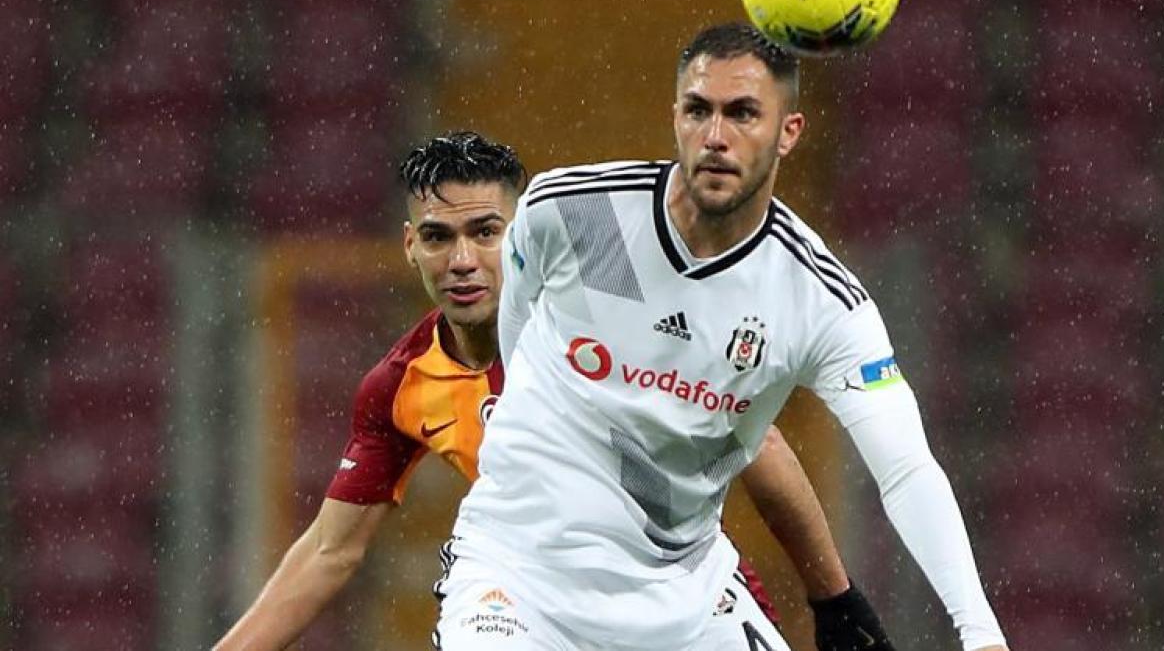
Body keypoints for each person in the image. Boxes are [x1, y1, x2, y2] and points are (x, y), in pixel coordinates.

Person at [438, 24, 1011, 651]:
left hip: (682, 596)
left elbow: (904, 469)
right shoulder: (575, 212)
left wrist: (979, 632)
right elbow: (515, 341)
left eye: (742, 113)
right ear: (675, 117)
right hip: (520, 579)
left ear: (789, 132)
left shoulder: (818, 302)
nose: (715, 137)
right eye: (698, 110)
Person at [214, 132, 892, 651]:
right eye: (438, 237)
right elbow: (332, 550)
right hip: (530, 595)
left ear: (527, 229)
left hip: (675, 586)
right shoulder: (402, 383)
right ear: (408, 246)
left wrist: (833, 596)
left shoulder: (614, 319)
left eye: (485, 233)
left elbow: (756, 443)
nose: (461, 261)